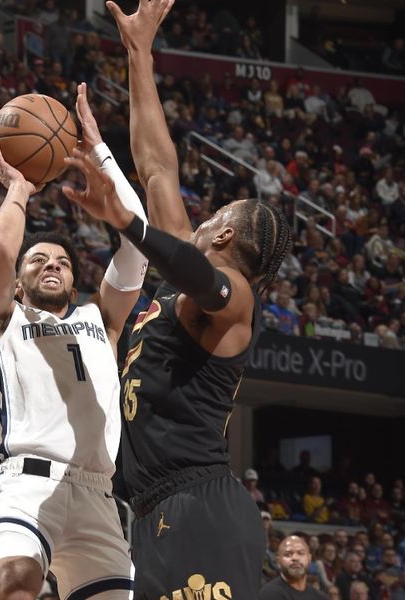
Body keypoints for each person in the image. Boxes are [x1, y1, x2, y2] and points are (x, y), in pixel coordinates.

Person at [98, 1, 292, 597]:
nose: (198, 221)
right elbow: (157, 165)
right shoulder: (183, 265)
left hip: (198, 506)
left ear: (226, 235)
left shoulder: (233, 302)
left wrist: (128, 223)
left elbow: (197, 277)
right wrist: (139, 57)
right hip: (154, 507)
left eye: (211, 217)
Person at [0, 84, 149, 598]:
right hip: (26, 482)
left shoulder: (102, 320)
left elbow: (138, 250)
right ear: (22, 283)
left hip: (98, 494)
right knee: (15, 582)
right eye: (39, 260)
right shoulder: (1, 320)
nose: (52, 264)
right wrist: (19, 190)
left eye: (63, 262)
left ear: (74, 280)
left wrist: (99, 153)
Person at [260, 535, 328, 600]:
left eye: (301, 553)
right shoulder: (270, 594)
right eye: (287, 555)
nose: (295, 558)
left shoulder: (321, 597)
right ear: (278, 562)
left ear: (309, 559)